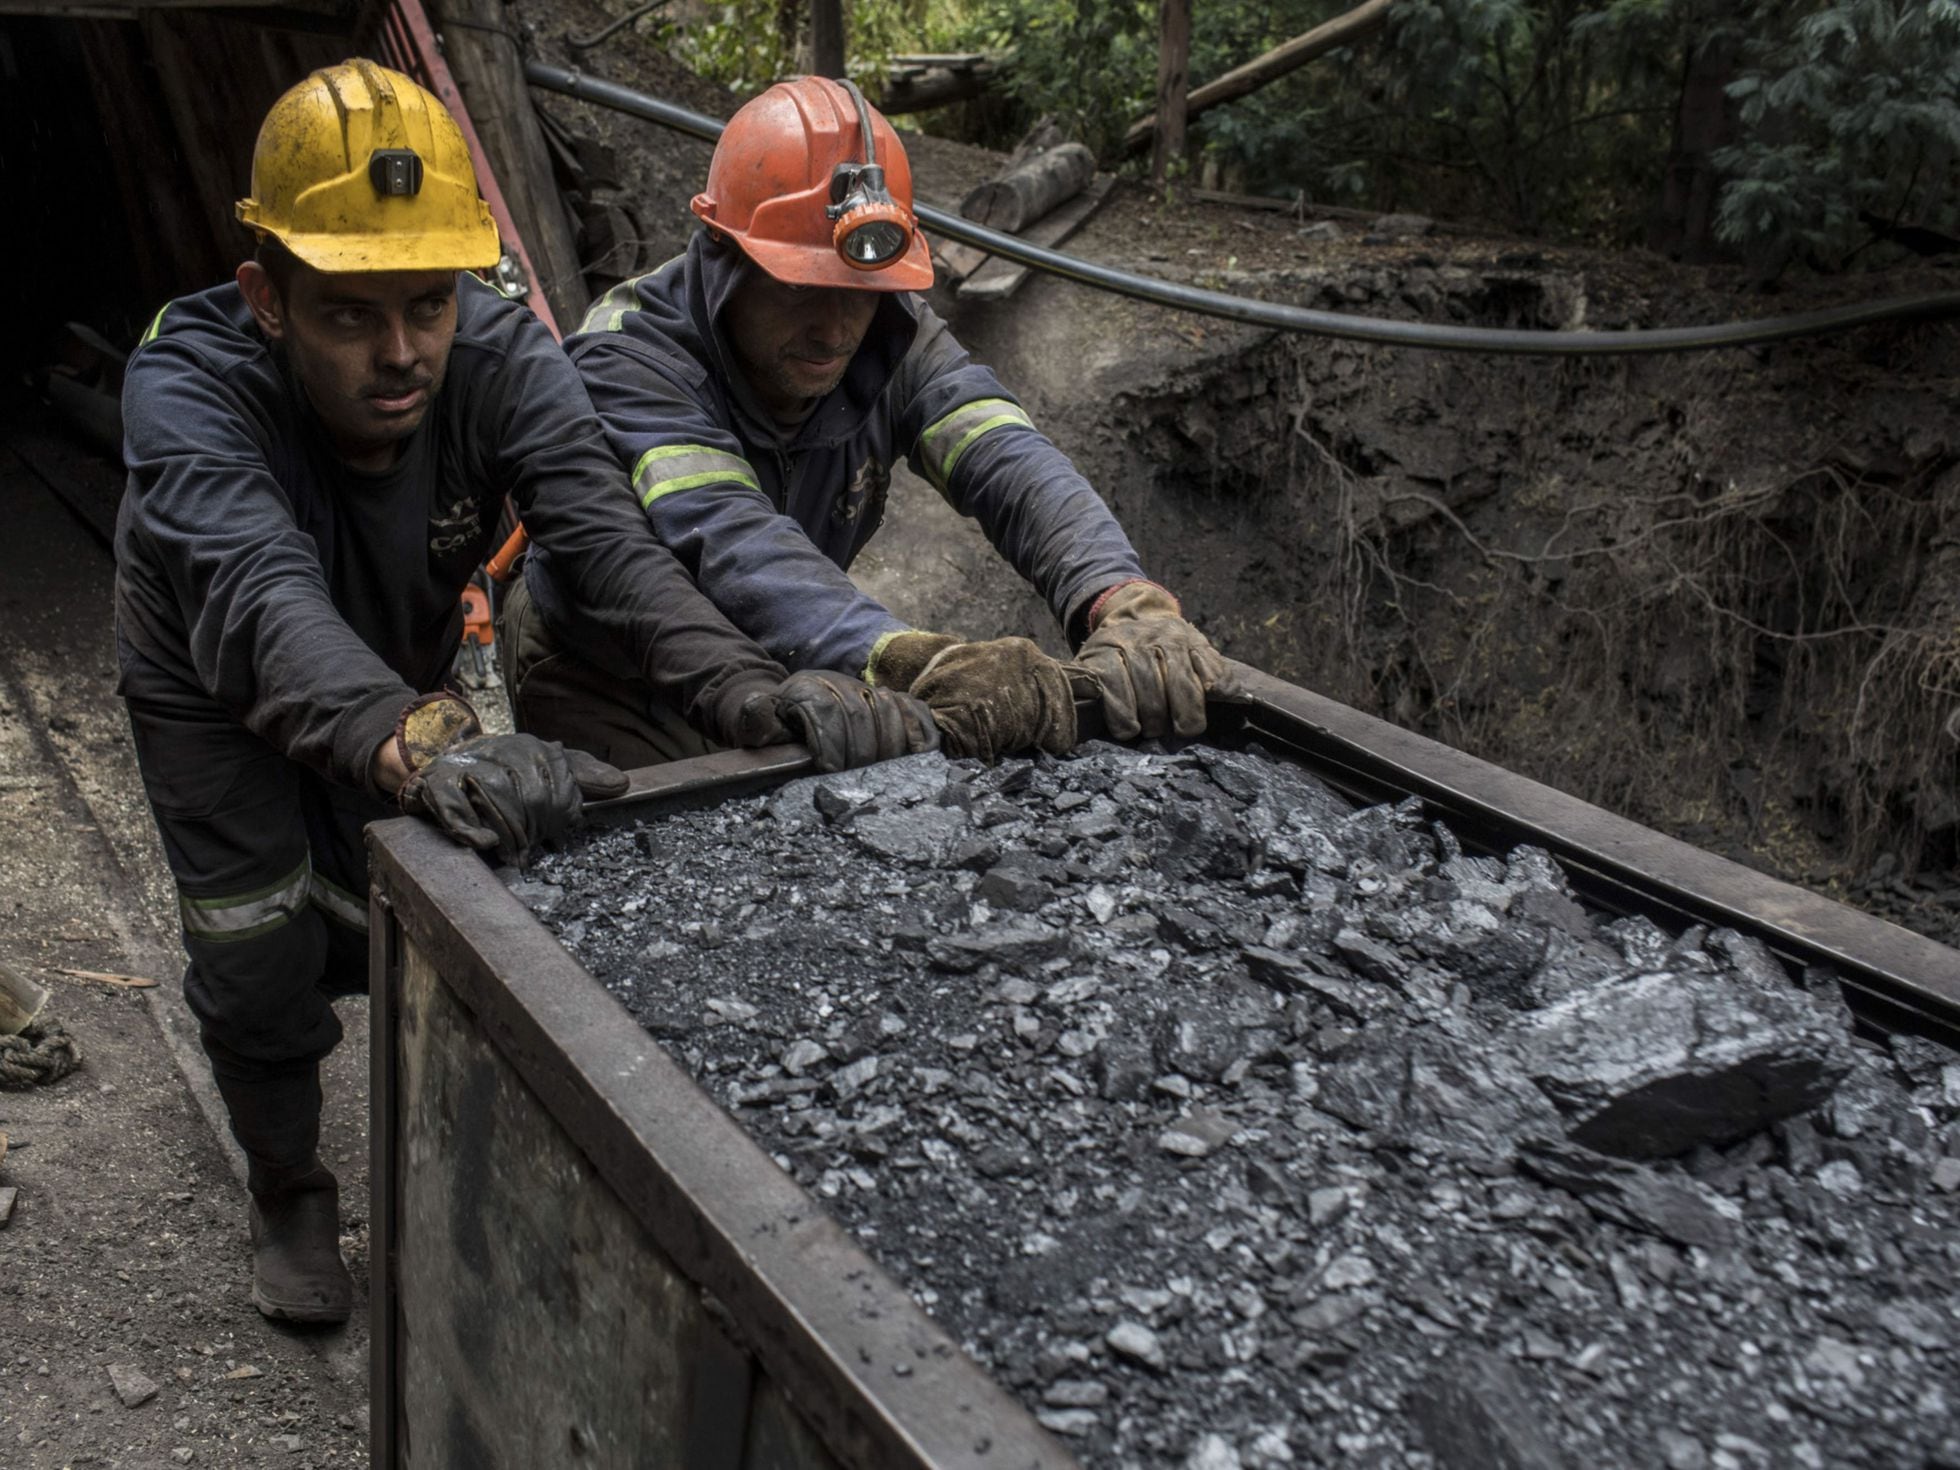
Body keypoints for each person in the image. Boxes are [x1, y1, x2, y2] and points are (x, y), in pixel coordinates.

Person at [114, 60, 930, 1325]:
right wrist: (416, 733)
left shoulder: (498, 354)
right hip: (210, 663)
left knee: (394, 875)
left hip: (393, 634)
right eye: (350, 316)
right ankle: (288, 1183)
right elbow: (261, 595)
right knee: (255, 922)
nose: (401, 354)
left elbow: (607, 546)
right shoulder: (185, 388)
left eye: (427, 307)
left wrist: (755, 693)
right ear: (266, 298)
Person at [506, 75, 1231, 765]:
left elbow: (1008, 458)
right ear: (724, 255)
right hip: (610, 678)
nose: (836, 328)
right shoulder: (629, 354)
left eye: (861, 291)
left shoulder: (890, 330)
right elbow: (729, 537)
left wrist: (1116, 596)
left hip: (790, 665)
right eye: (801, 290)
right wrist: (912, 660)